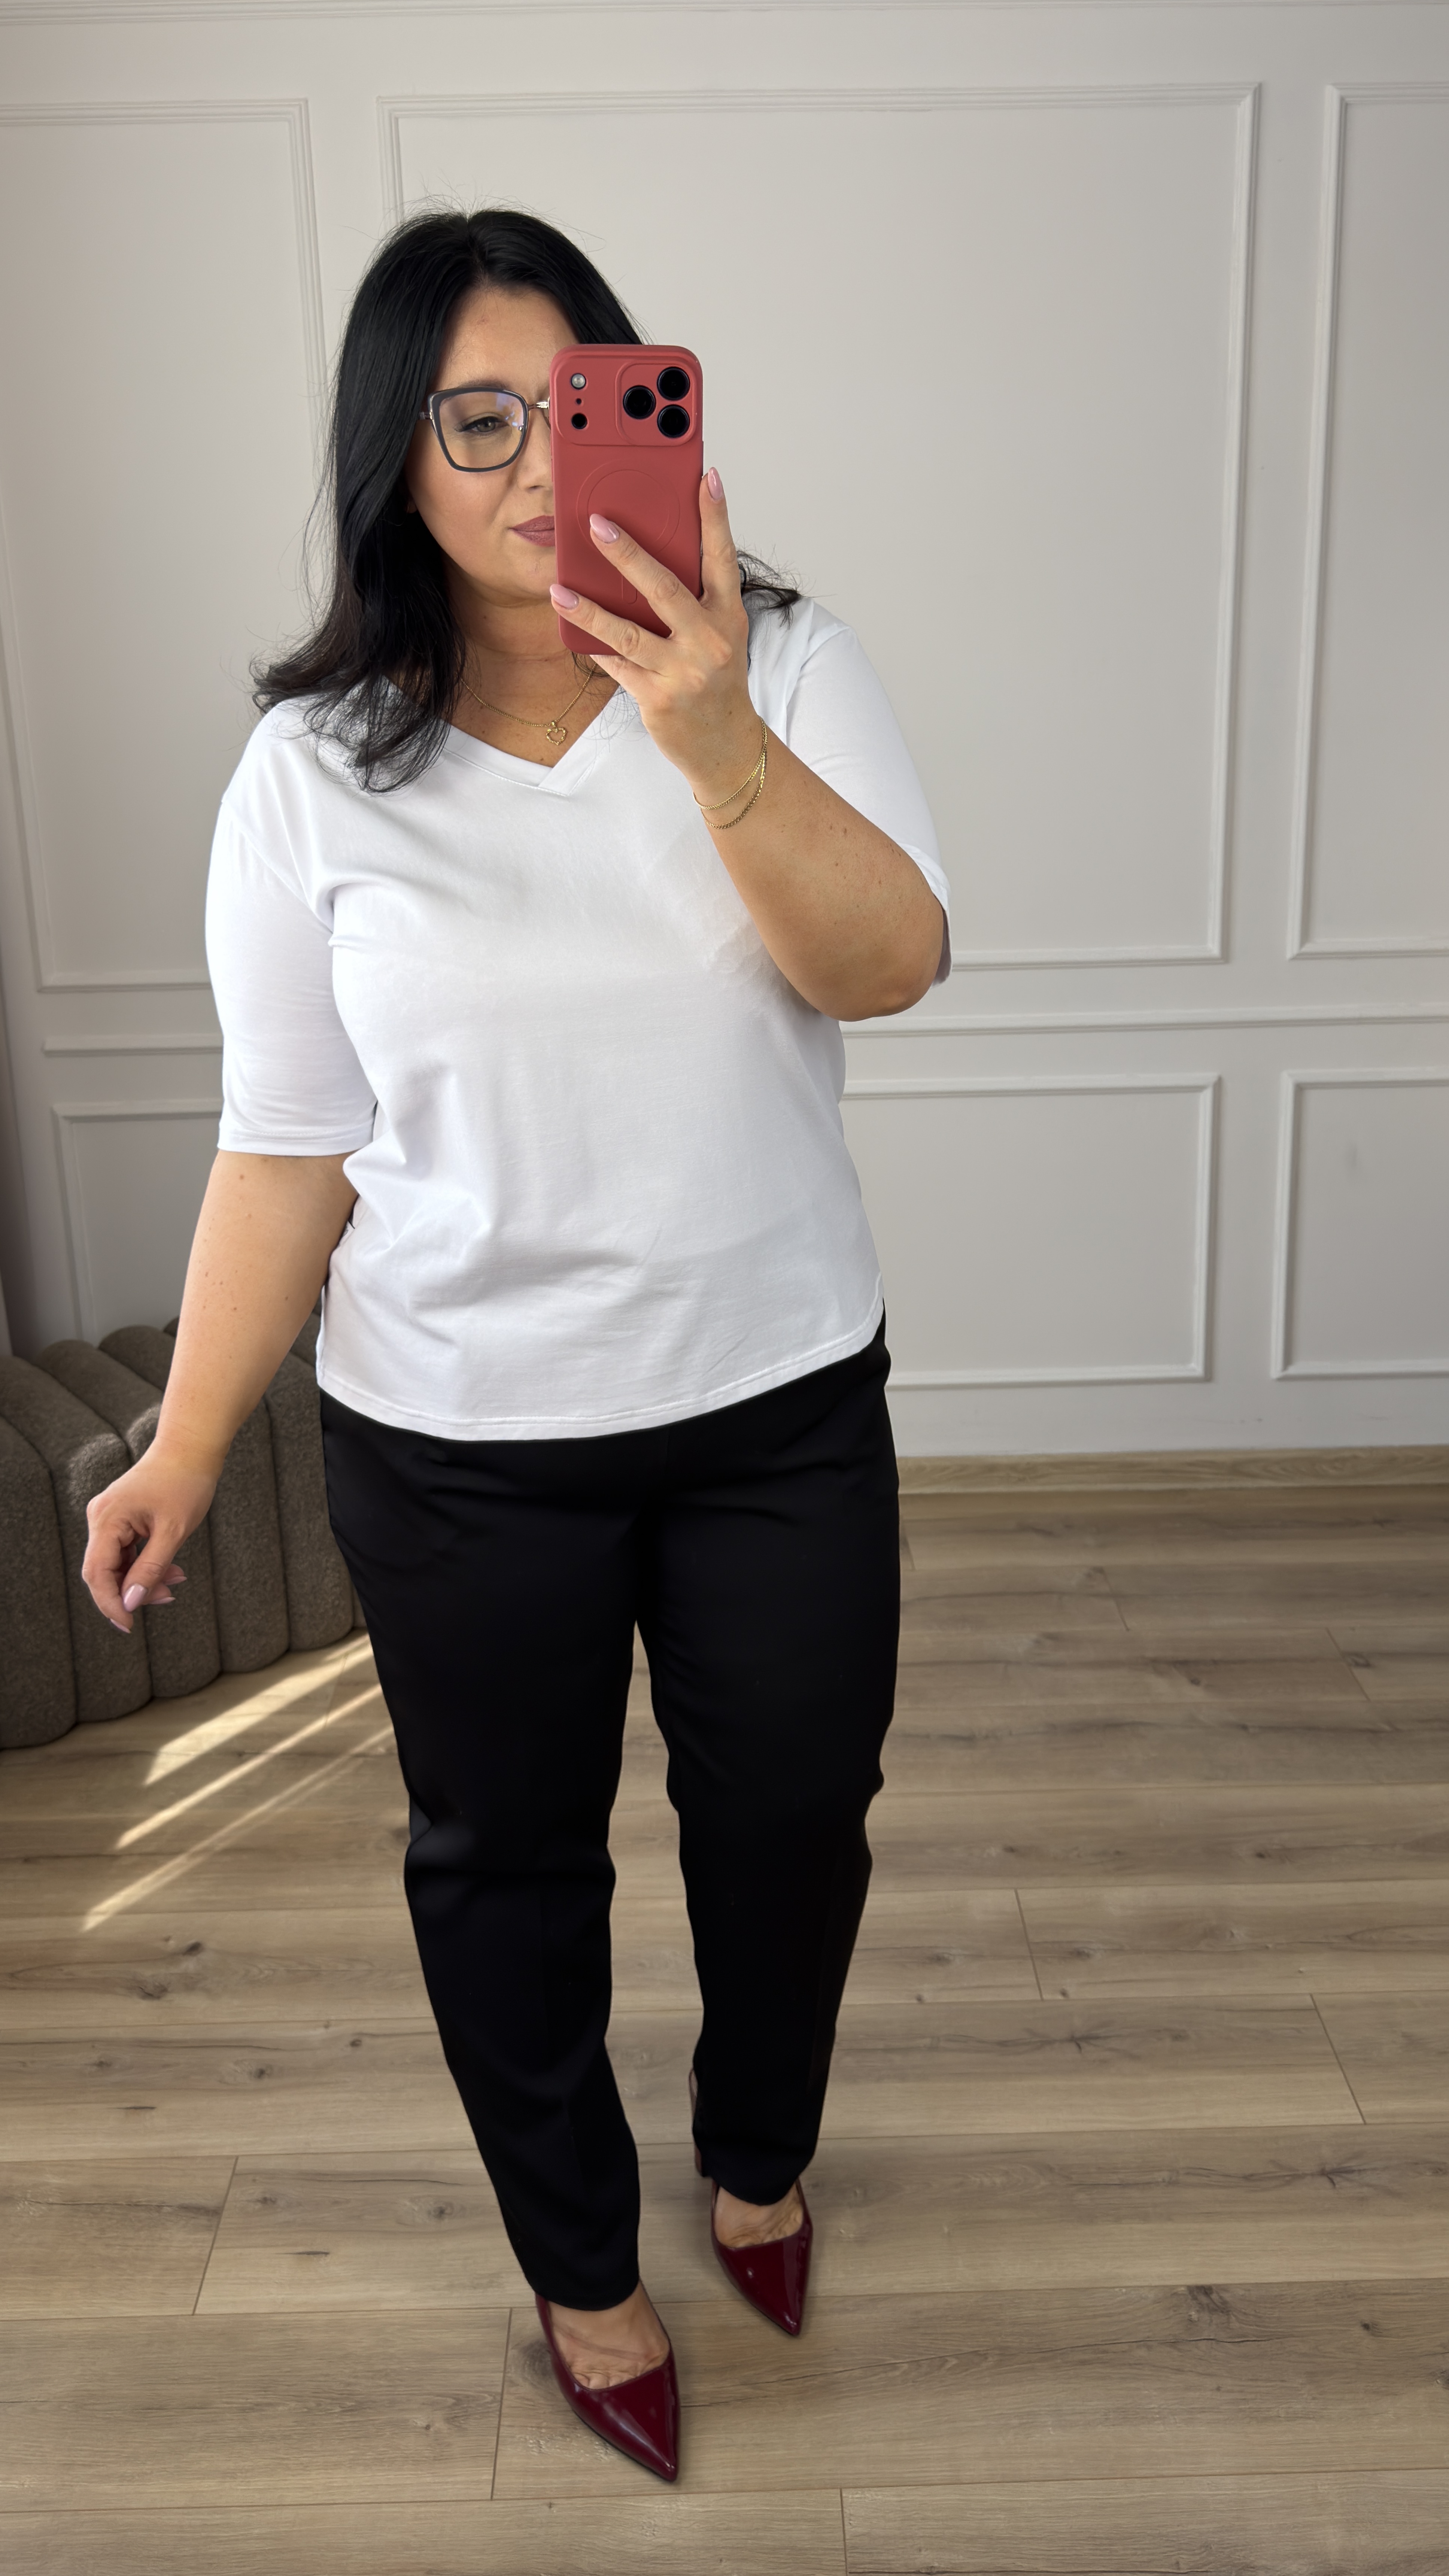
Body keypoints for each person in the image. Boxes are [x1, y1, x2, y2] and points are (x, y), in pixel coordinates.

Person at [82, 208, 949, 2483]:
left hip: (776, 1404)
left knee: (796, 1824)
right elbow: (290, 1148)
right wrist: (186, 1442)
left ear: (644, 405)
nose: (539, 464)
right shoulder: (312, 775)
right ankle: (583, 2265)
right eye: (477, 421)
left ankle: (758, 2153)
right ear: (396, 454)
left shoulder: (784, 664)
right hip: (461, 1443)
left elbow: (890, 967)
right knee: (506, 1867)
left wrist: (711, 736)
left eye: (575, 403)